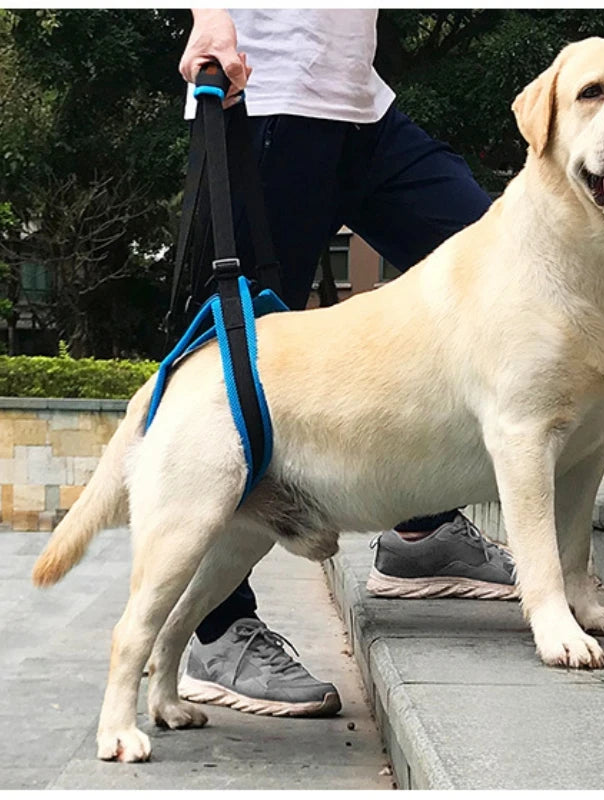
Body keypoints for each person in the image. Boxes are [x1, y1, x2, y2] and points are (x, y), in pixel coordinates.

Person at [176, 8, 517, 718]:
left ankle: (422, 529)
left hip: (362, 106)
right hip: (263, 95)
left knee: (499, 268)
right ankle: (215, 628)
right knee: (235, 366)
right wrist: (209, 15)